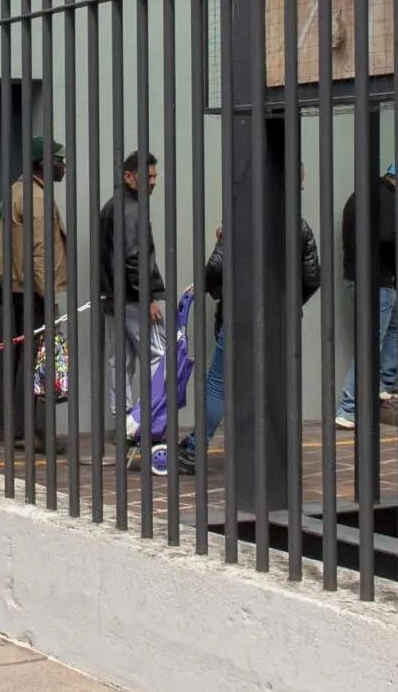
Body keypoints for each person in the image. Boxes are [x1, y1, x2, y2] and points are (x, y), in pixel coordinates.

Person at [177, 169, 321, 475]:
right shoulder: (300, 227)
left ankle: (194, 450)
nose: (303, 185)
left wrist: (205, 283)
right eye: (302, 180)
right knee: (273, 383)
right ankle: (274, 450)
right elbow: (312, 278)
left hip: (242, 316)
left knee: (219, 383)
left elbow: (217, 267)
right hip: (281, 322)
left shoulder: (242, 219)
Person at [336, 166, 398, 429]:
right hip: (377, 281)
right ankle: (348, 408)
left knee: (394, 326)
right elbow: (386, 237)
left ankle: (384, 383)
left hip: (360, 278)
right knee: (370, 344)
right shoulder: (385, 198)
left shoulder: (361, 195)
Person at [3, 138, 68, 453]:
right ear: (43, 163)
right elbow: (39, 256)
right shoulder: (38, 199)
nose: (63, 166)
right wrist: (48, 296)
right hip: (34, 292)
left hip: (17, 290)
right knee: (36, 362)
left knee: (23, 359)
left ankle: (21, 429)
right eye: (59, 160)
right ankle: (31, 432)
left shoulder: (17, 190)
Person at [97, 151, 165, 457]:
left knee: (120, 361)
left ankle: (122, 423)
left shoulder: (112, 207)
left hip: (114, 298)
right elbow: (136, 259)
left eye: (154, 176)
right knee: (158, 356)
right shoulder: (133, 210)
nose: (153, 182)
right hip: (134, 298)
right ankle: (151, 421)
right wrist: (148, 297)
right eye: (147, 176)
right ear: (128, 176)